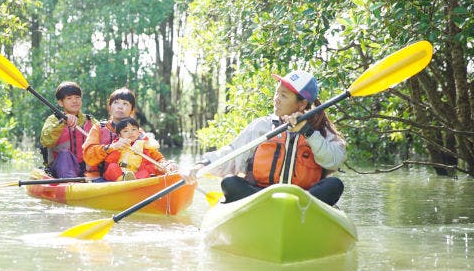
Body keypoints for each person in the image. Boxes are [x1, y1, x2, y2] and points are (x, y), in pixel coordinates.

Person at [181, 70, 346, 206]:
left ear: (302, 104)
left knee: (334, 185)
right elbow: (232, 153)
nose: (276, 99)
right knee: (230, 183)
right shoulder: (262, 126)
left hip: (304, 199)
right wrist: (201, 165)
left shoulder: (321, 130)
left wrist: (307, 131)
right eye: (277, 93)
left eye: (284, 96)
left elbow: (334, 160)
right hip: (260, 197)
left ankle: (302, 210)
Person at [82, 87, 177, 180]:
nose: (120, 106)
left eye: (125, 103)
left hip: (134, 177)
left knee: (151, 171)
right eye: (116, 102)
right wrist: (112, 147)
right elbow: (88, 156)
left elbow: (155, 156)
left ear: (132, 110)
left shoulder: (138, 132)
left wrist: (166, 164)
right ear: (110, 107)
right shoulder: (98, 128)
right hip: (102, 177)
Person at [40, 81, 98, 178]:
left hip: (86, 167)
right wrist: (63, 122)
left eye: (77, 97)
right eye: (69, 98)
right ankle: (70, 181)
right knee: (65, 154)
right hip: (60, 168)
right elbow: (46, 141)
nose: (75, 101)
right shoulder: (53, 120)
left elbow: (105, 137)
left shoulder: (90, 120)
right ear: (60, 102)